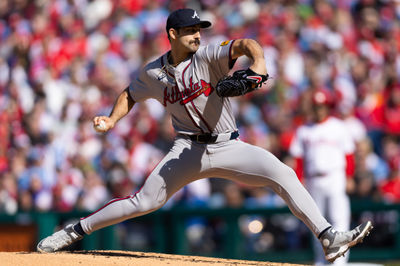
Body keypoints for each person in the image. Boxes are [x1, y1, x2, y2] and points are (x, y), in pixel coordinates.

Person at [37, 8, 372, 263]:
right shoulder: (153, 73)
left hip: (229, 145)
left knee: (282, 173)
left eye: (199, 29)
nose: (197, 35)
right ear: (172, 34)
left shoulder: (210, 55)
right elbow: (129, 94)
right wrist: (111, 120)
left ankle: (328, 236)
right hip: (187, 150)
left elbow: (247, 44)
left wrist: (257, 67)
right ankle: (73, 231)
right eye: (189, 30)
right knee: (144, 202)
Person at [289, 89, 357, 265]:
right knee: (316, 223)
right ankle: (321, 261)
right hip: (313, 179)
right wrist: (299, 179)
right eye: (316, 106)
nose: (319, 110)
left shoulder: (338, 126)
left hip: (335, 176)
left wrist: (349, 176)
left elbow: (349, 155)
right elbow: (298, 158)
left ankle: (340, 262)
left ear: (328, 107)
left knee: (338, 219)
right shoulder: (304, 129)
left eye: (322, 106)